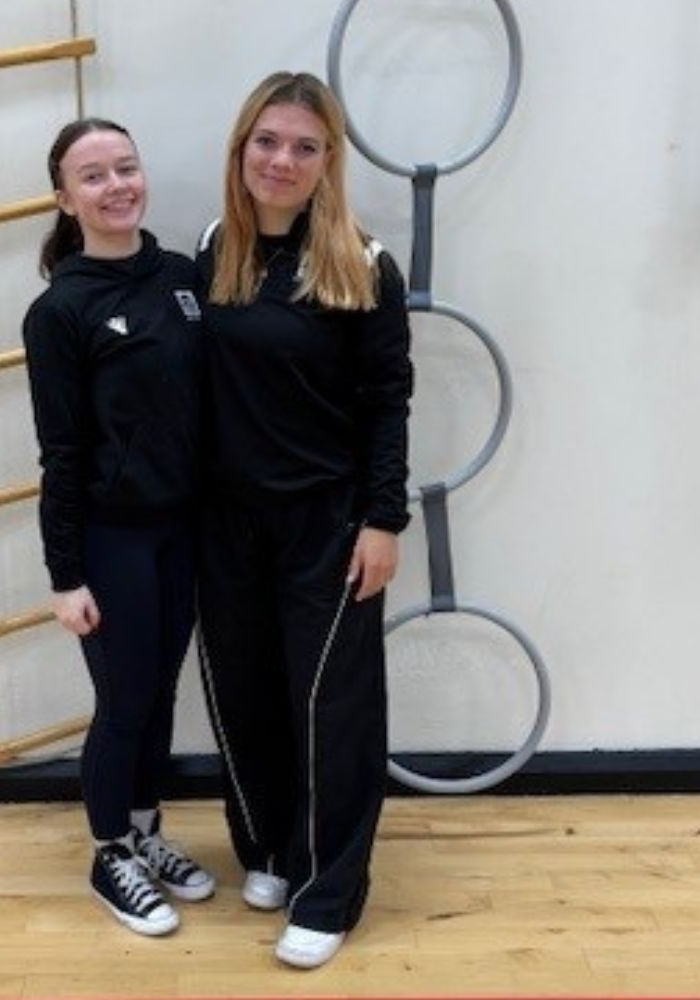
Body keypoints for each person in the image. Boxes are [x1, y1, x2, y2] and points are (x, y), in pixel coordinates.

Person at [195, 72, 413, 969]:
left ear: (329, 163)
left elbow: (386, 403)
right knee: (242, 697)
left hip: (326, 526)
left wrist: (383, 521)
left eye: (303, 147)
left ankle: (331, 891)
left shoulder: (362, 265)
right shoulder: (215, 248)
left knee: (331, 710)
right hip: (224, 526)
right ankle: (274, 850)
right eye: (267, 142)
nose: (281, 161)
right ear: (241, 148)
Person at [22, 117, 214, 937]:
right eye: (93, 177)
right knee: (124, 697)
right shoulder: (58, 312)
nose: (115, 187)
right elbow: (60, 453)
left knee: (161, 688)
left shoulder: (181, 277)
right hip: (112, 539)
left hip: (186, 532)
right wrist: (65, 576)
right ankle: (108, 854)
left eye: (125, 168)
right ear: (66, 198)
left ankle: (144, 830)